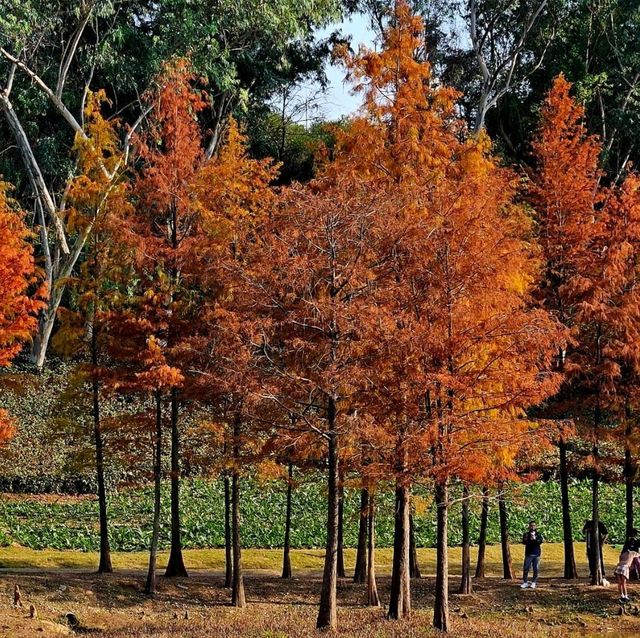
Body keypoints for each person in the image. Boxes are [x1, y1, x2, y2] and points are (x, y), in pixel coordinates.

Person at [520, 520, 543, 589]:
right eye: (531, 525)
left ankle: (533, 582)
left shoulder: (538, 534)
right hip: (528, 554)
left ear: (536, 526)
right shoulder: (526, 534)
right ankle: (525, 582)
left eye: (534, 525)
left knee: (536, 569)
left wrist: (535, 539)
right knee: (526, 568)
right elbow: (524, 542)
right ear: (529, 526)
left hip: (536, 554)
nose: (532, 527)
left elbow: (540, 542)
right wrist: (530, 539)